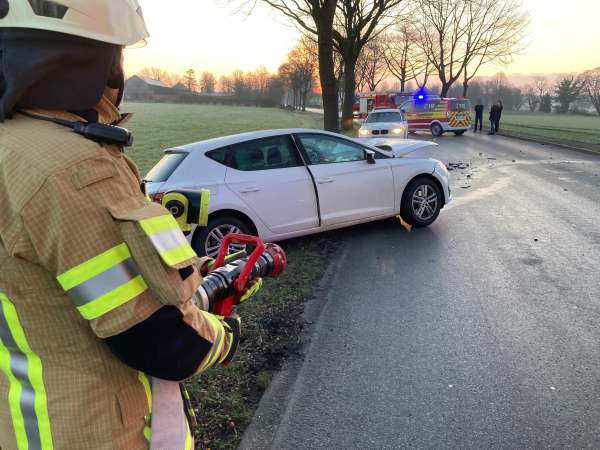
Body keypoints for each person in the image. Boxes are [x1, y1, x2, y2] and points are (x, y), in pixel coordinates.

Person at [0, 1, 245, 448]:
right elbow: (160, 341)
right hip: (96, 433)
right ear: (94, 62)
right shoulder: (72, 169)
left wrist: (194, 281)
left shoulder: (11, 149)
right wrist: (228, 336)